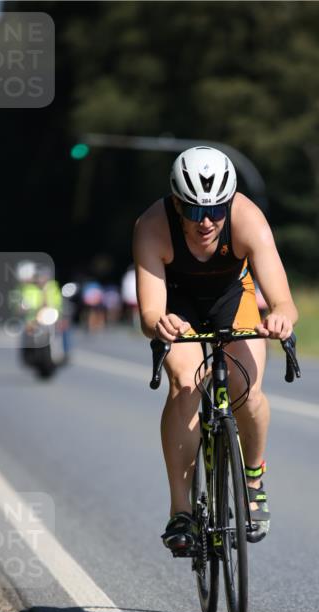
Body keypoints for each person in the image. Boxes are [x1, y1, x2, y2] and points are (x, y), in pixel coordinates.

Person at [133, 145, 298, 553]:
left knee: (248, 391)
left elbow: (283, 301)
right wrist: (160, 323)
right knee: (185, 385)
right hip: (179, 305)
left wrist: (279, 317)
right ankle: (181, 511)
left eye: (216, 210)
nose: (206, 221)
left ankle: (254, 477)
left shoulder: (248, 220)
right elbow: (149, 313)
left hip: (232, 299)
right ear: (176, 204)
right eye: (193, 211)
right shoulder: (152, 227)